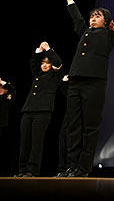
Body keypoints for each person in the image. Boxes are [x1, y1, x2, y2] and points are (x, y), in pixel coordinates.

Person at [58, 0, 114, 178]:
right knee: (73, 126)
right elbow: (77, 18)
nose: (93, 18)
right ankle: (70, 166)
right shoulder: (85, 31)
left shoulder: (110, 35)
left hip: (94, 82)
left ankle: (83, 168)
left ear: (106, 21)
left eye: (98, 16)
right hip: (76, 80)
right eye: (92, 16)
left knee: (90, 126)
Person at [16, 42, 64, 177]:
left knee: (36, 142)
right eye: (43, 62)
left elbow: (58, 63)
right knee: (25, 142)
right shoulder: (38, 75)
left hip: (43, 112)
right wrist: (38, 51)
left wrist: (48, 49)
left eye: (47, 63)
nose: (44, 65)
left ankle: (31, 170)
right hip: (28, 110)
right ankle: (22, 170)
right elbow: (33, 63)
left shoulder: (55, 76)